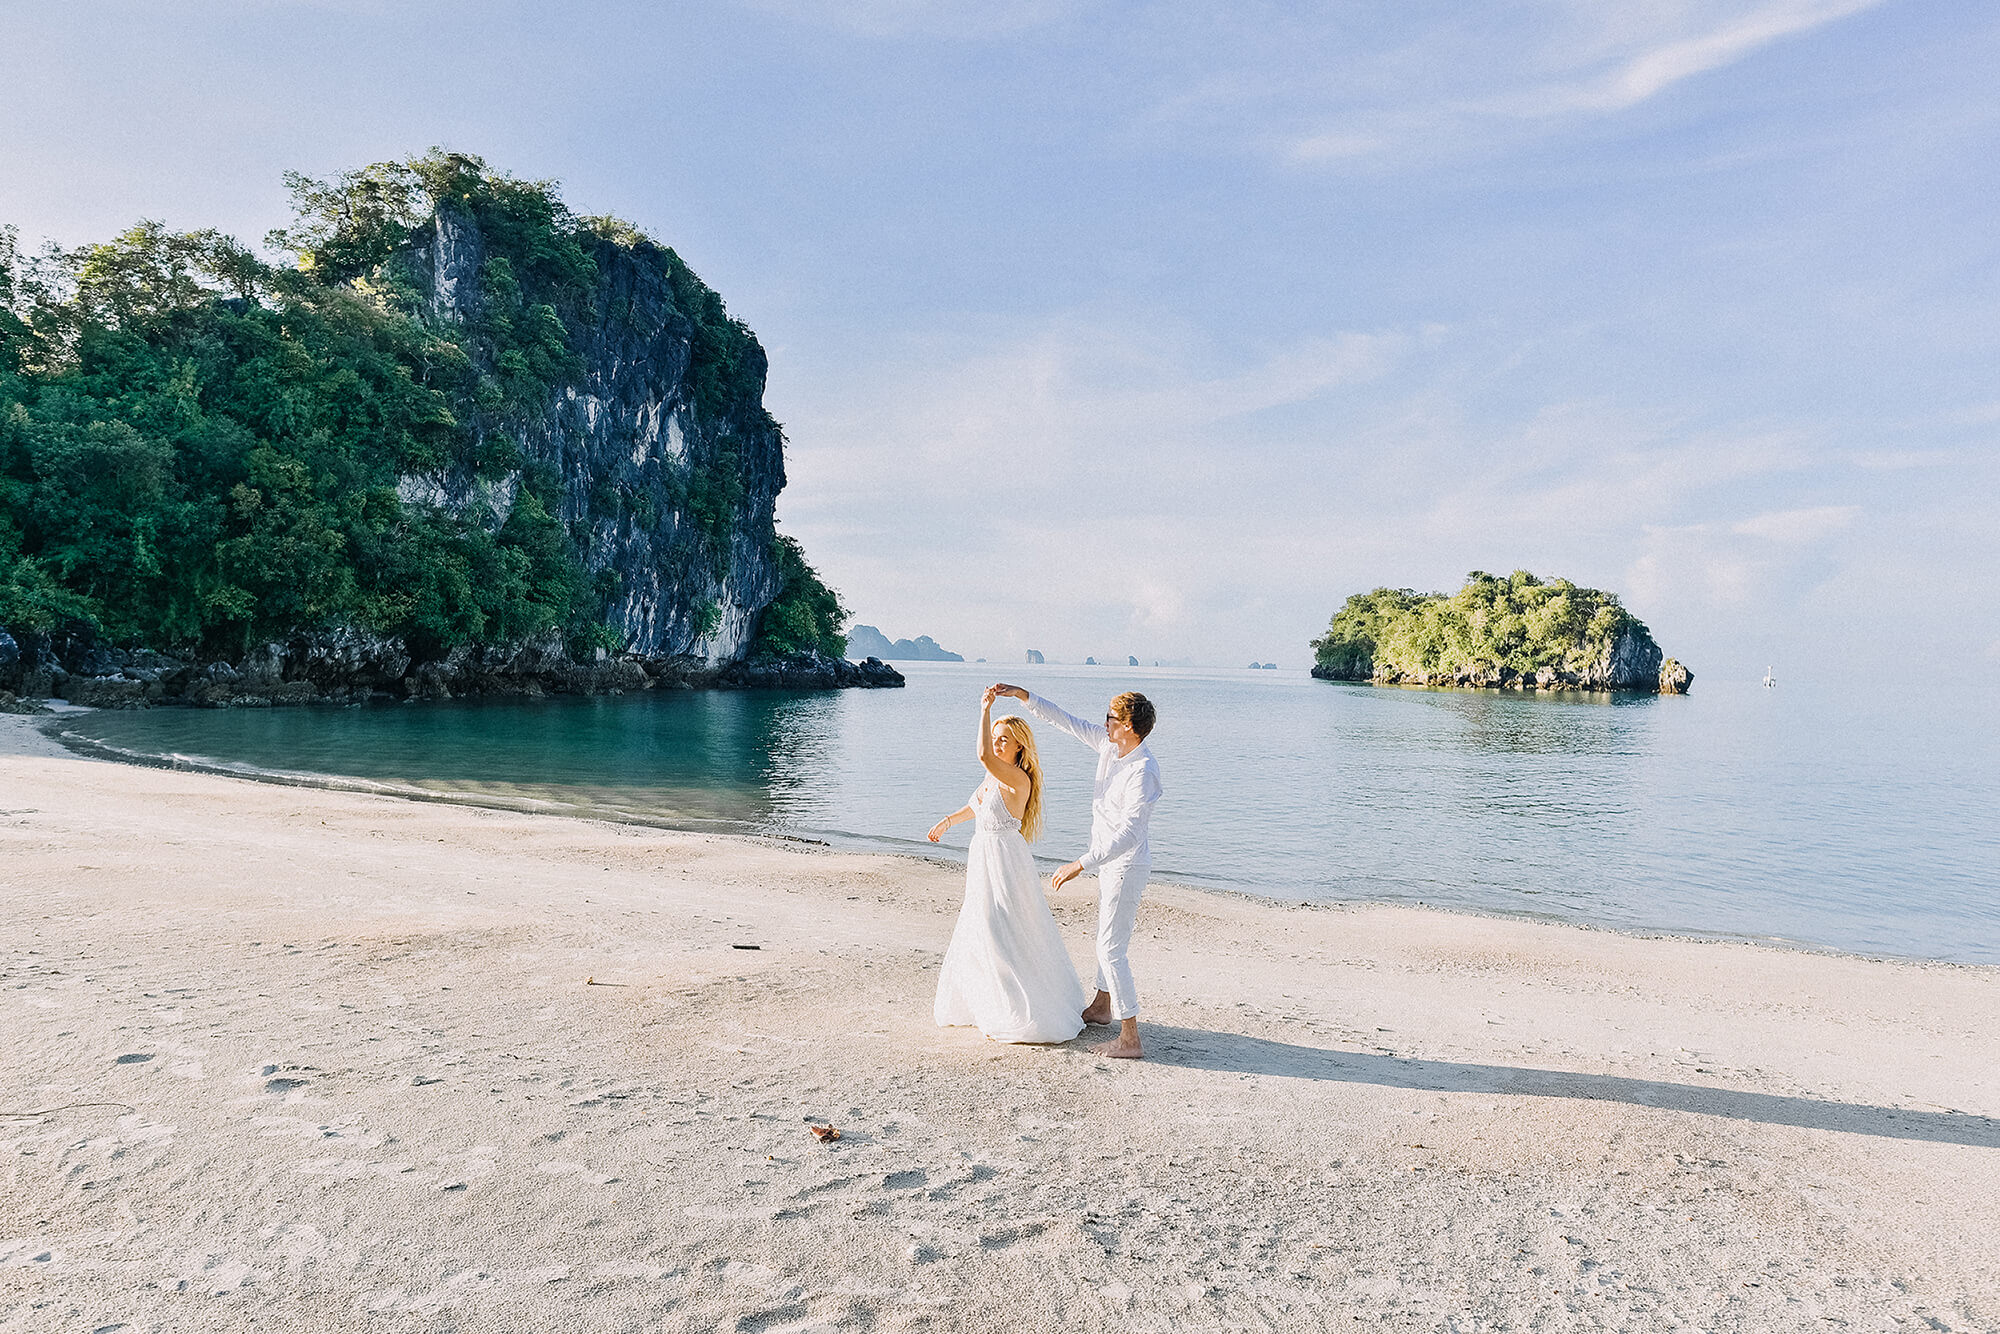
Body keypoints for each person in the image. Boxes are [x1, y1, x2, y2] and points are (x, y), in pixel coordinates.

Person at [991, 683, 1161, 1060]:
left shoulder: (1144, 771)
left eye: (1111, 719)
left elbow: (1129, 834)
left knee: (1110, 947)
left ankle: (1130, 1038)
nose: (1103, 723)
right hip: (1108, 863)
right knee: (1106, 933)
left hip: (1126, 865)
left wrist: (1079, 864)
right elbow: (1066, 722)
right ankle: (1102, 1007)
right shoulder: (1109, 747)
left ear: (1129, 727)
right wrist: (1024, 697)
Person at [926, 686, 1087, 1044]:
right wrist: (948, 821)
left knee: (1003, 929)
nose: (997, 745)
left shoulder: (1018, 778)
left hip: (1005, 861)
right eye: (996, 739)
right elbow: (978, 806)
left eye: (1004, 740)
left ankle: (1021, 1009)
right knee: (980, 927)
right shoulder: (993, 778)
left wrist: (985, 710)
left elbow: (983, 755)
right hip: (982, 856)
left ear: (1019, 748)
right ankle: (990, 1003)